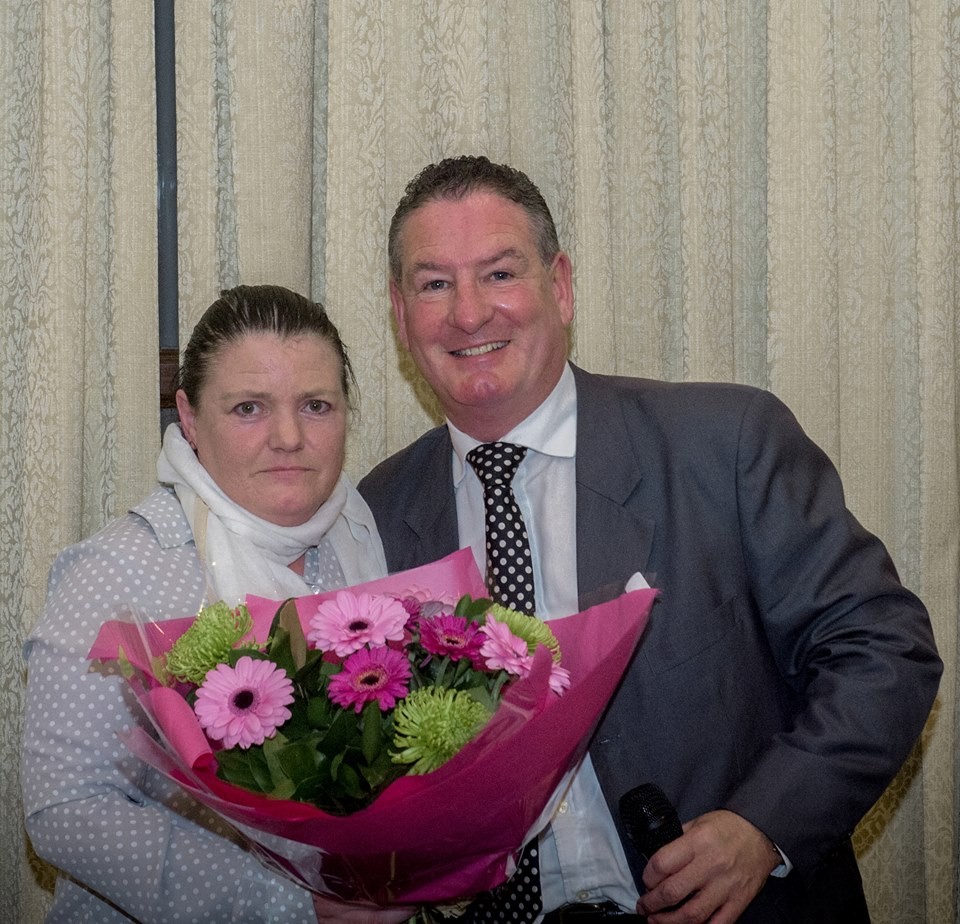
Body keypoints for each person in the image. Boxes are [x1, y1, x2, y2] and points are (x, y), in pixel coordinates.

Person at [358, 156, 943, 923]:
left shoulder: (724, 444)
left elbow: (884, 650)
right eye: (434, 284)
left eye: (499, 273)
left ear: (559, 286)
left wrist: (763, 824)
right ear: (401, 315)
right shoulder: (375, 514)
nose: (469, 314)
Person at [23, 285, 414, 924]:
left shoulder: (364, 547)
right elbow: (66, 812)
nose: (288, 437)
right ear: (191, 418)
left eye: (315, 405)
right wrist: (285, 905)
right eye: (249, 408)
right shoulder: (116, 576)